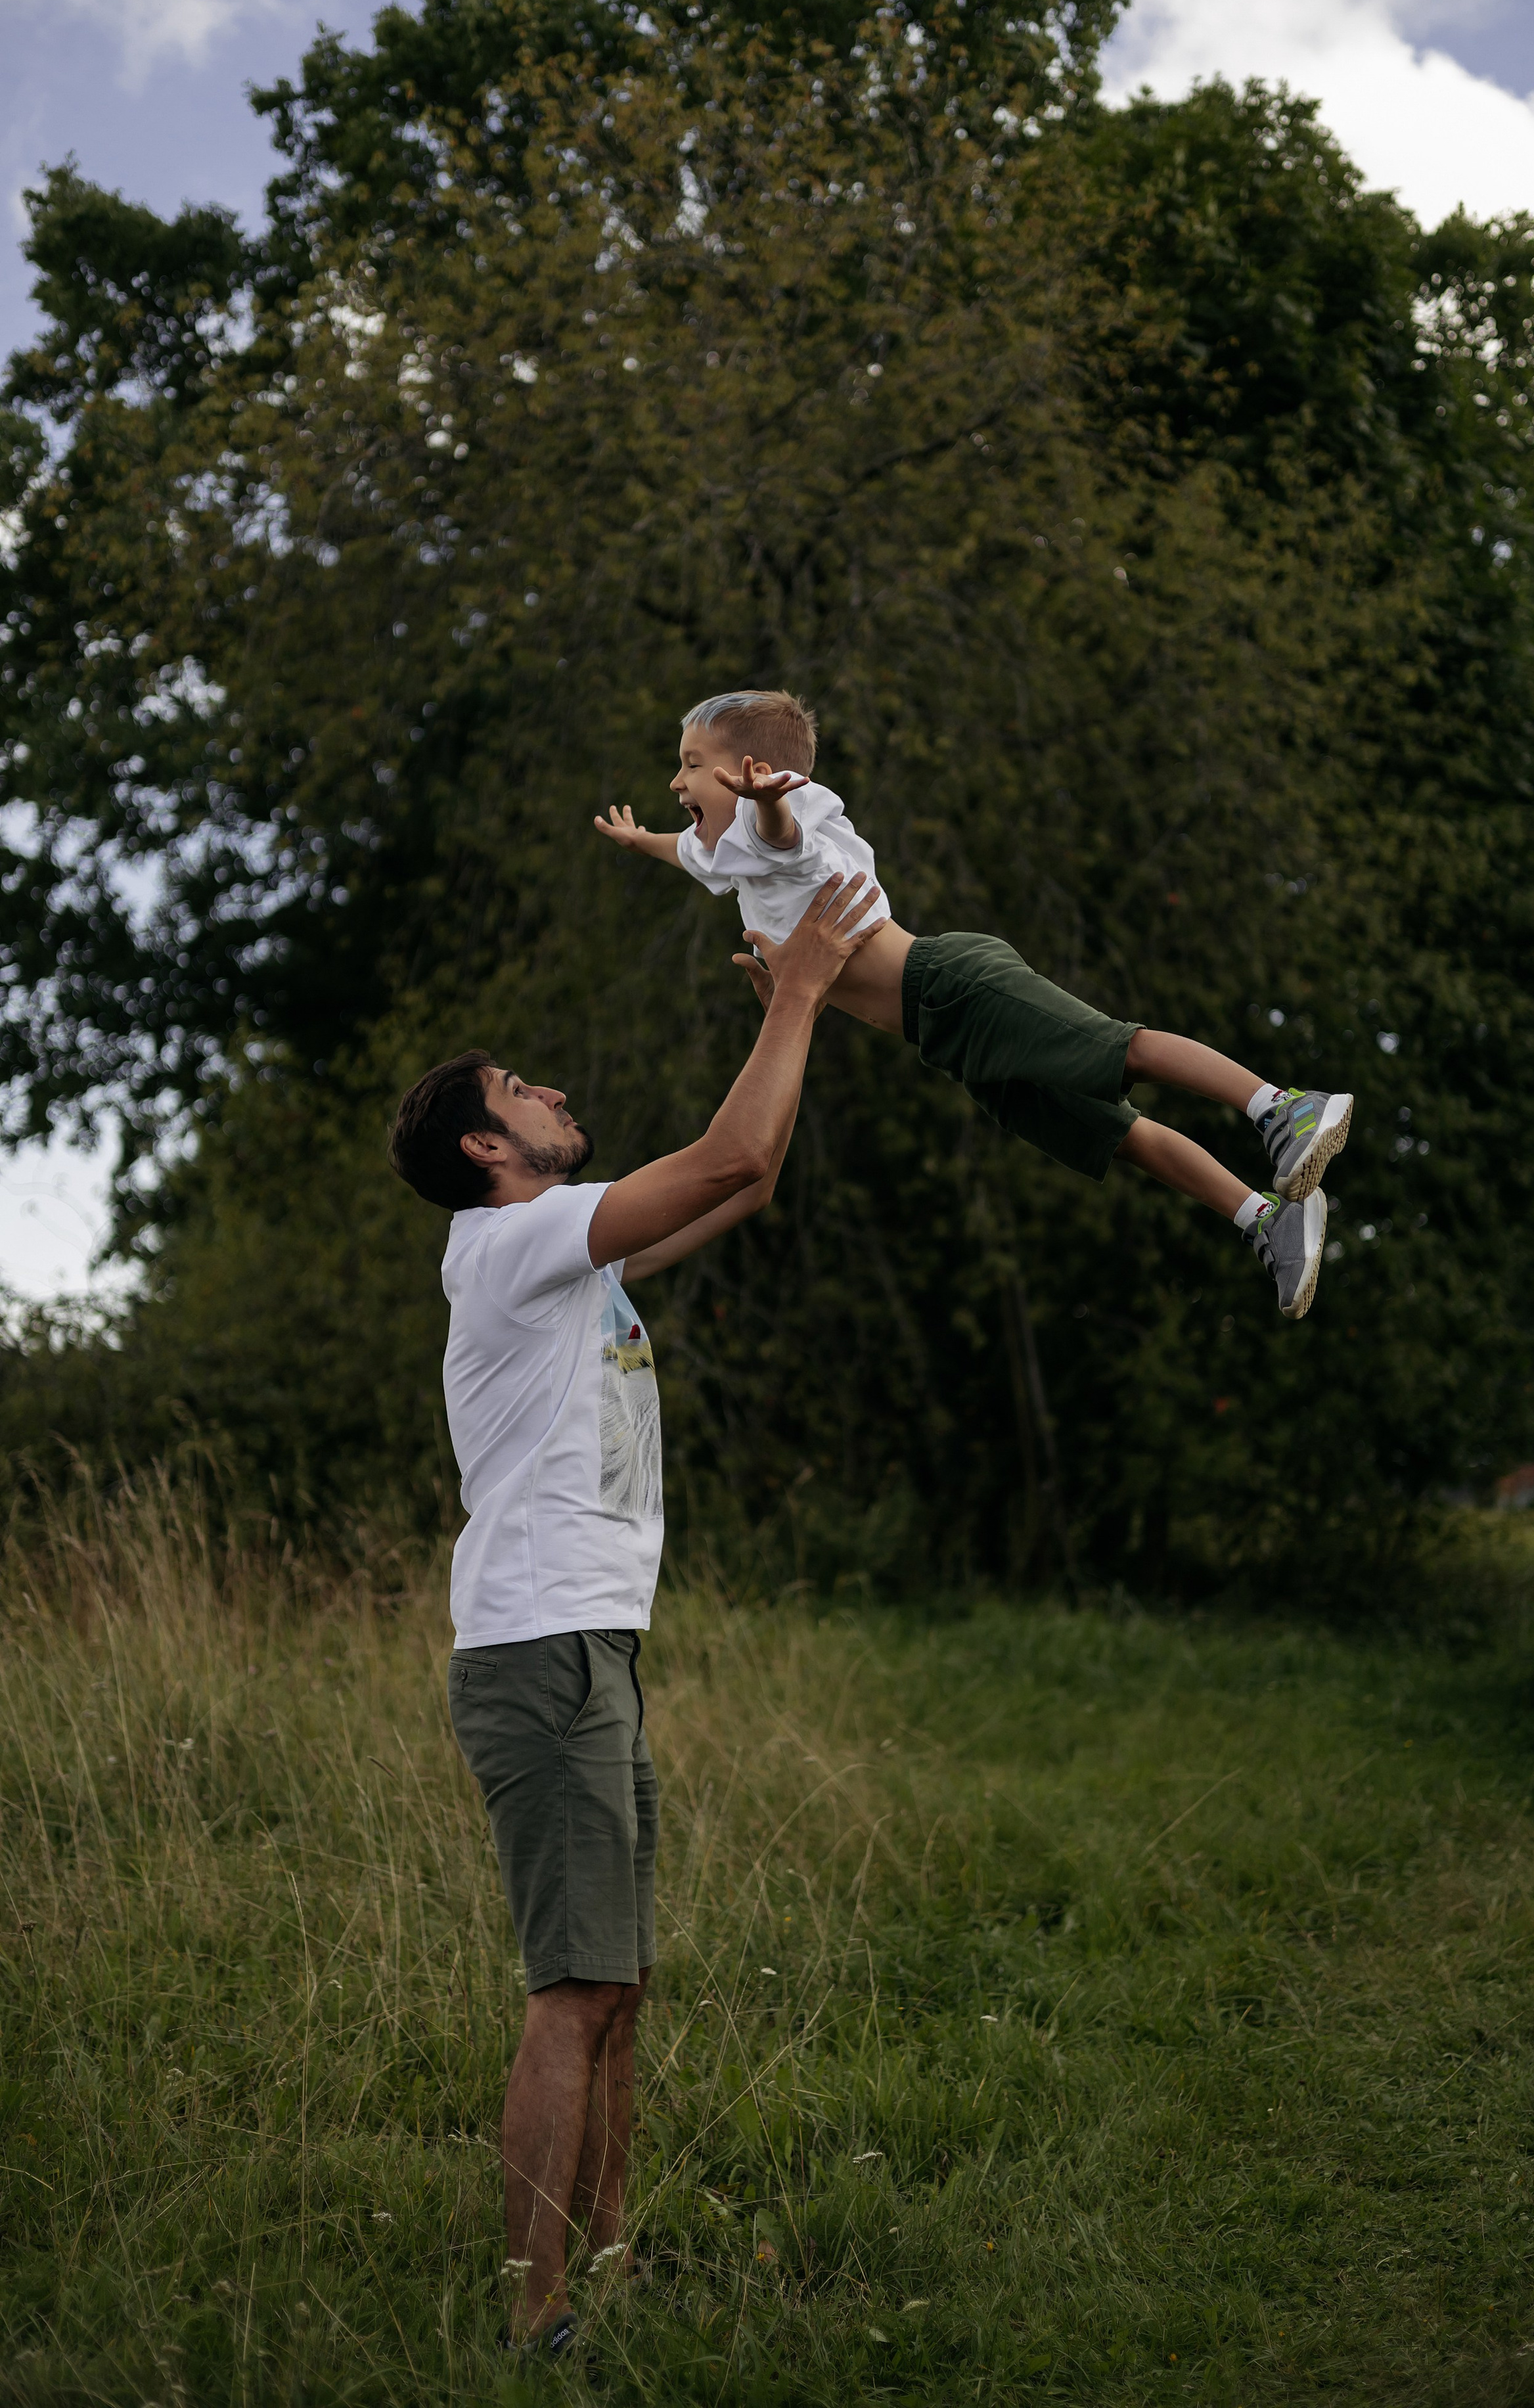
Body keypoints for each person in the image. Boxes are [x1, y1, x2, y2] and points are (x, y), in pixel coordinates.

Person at [386, 872, 877, 2362]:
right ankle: (535, 2315)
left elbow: (746, 1176)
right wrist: (796, 994)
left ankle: (604, 2261)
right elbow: (727, 1146)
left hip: (587, 1643)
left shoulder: (570, 1255)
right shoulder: (515, 1240)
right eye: (515, 1088)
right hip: (538, 1653)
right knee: (570, 1986)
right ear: (489, 1147)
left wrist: (792, 1021)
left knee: (618, 1981)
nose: (547, 1090)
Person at [596, 689, 1355, 1321]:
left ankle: (1281, 1106)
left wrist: (768, 806)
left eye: (691, 765)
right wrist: (643, 844)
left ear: (752, 772)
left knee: (1119, 1049)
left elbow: (784, 838)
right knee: (1116, 1136)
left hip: (952, 983)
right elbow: (691, 852)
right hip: (947, 1040)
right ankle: (1267, 1221)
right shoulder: (721, 850)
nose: (675, 782)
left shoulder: (780, 831)